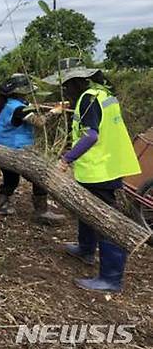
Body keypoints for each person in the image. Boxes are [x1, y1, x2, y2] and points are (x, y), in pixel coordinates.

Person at [44, 59, 141, 292]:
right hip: (108, 164)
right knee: (86, 208)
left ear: (75, 82)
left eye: (66, 85)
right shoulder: (102, 93)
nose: (65, 90)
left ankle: (110, 278)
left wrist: (66, 158)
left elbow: (90, 136)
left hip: (100, 169)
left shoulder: (88, 98)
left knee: (104, 219)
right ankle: (86, 249)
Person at [0, 74, 66, 226]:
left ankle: (2, 204)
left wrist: (52, 106)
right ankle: (41, 211)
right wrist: (54, 112)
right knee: (39, 176)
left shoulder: (10, 104)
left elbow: (31, 109)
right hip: (15, 149)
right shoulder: (19, 108)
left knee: (11, 179)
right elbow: (39, 122)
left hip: (3, 148)